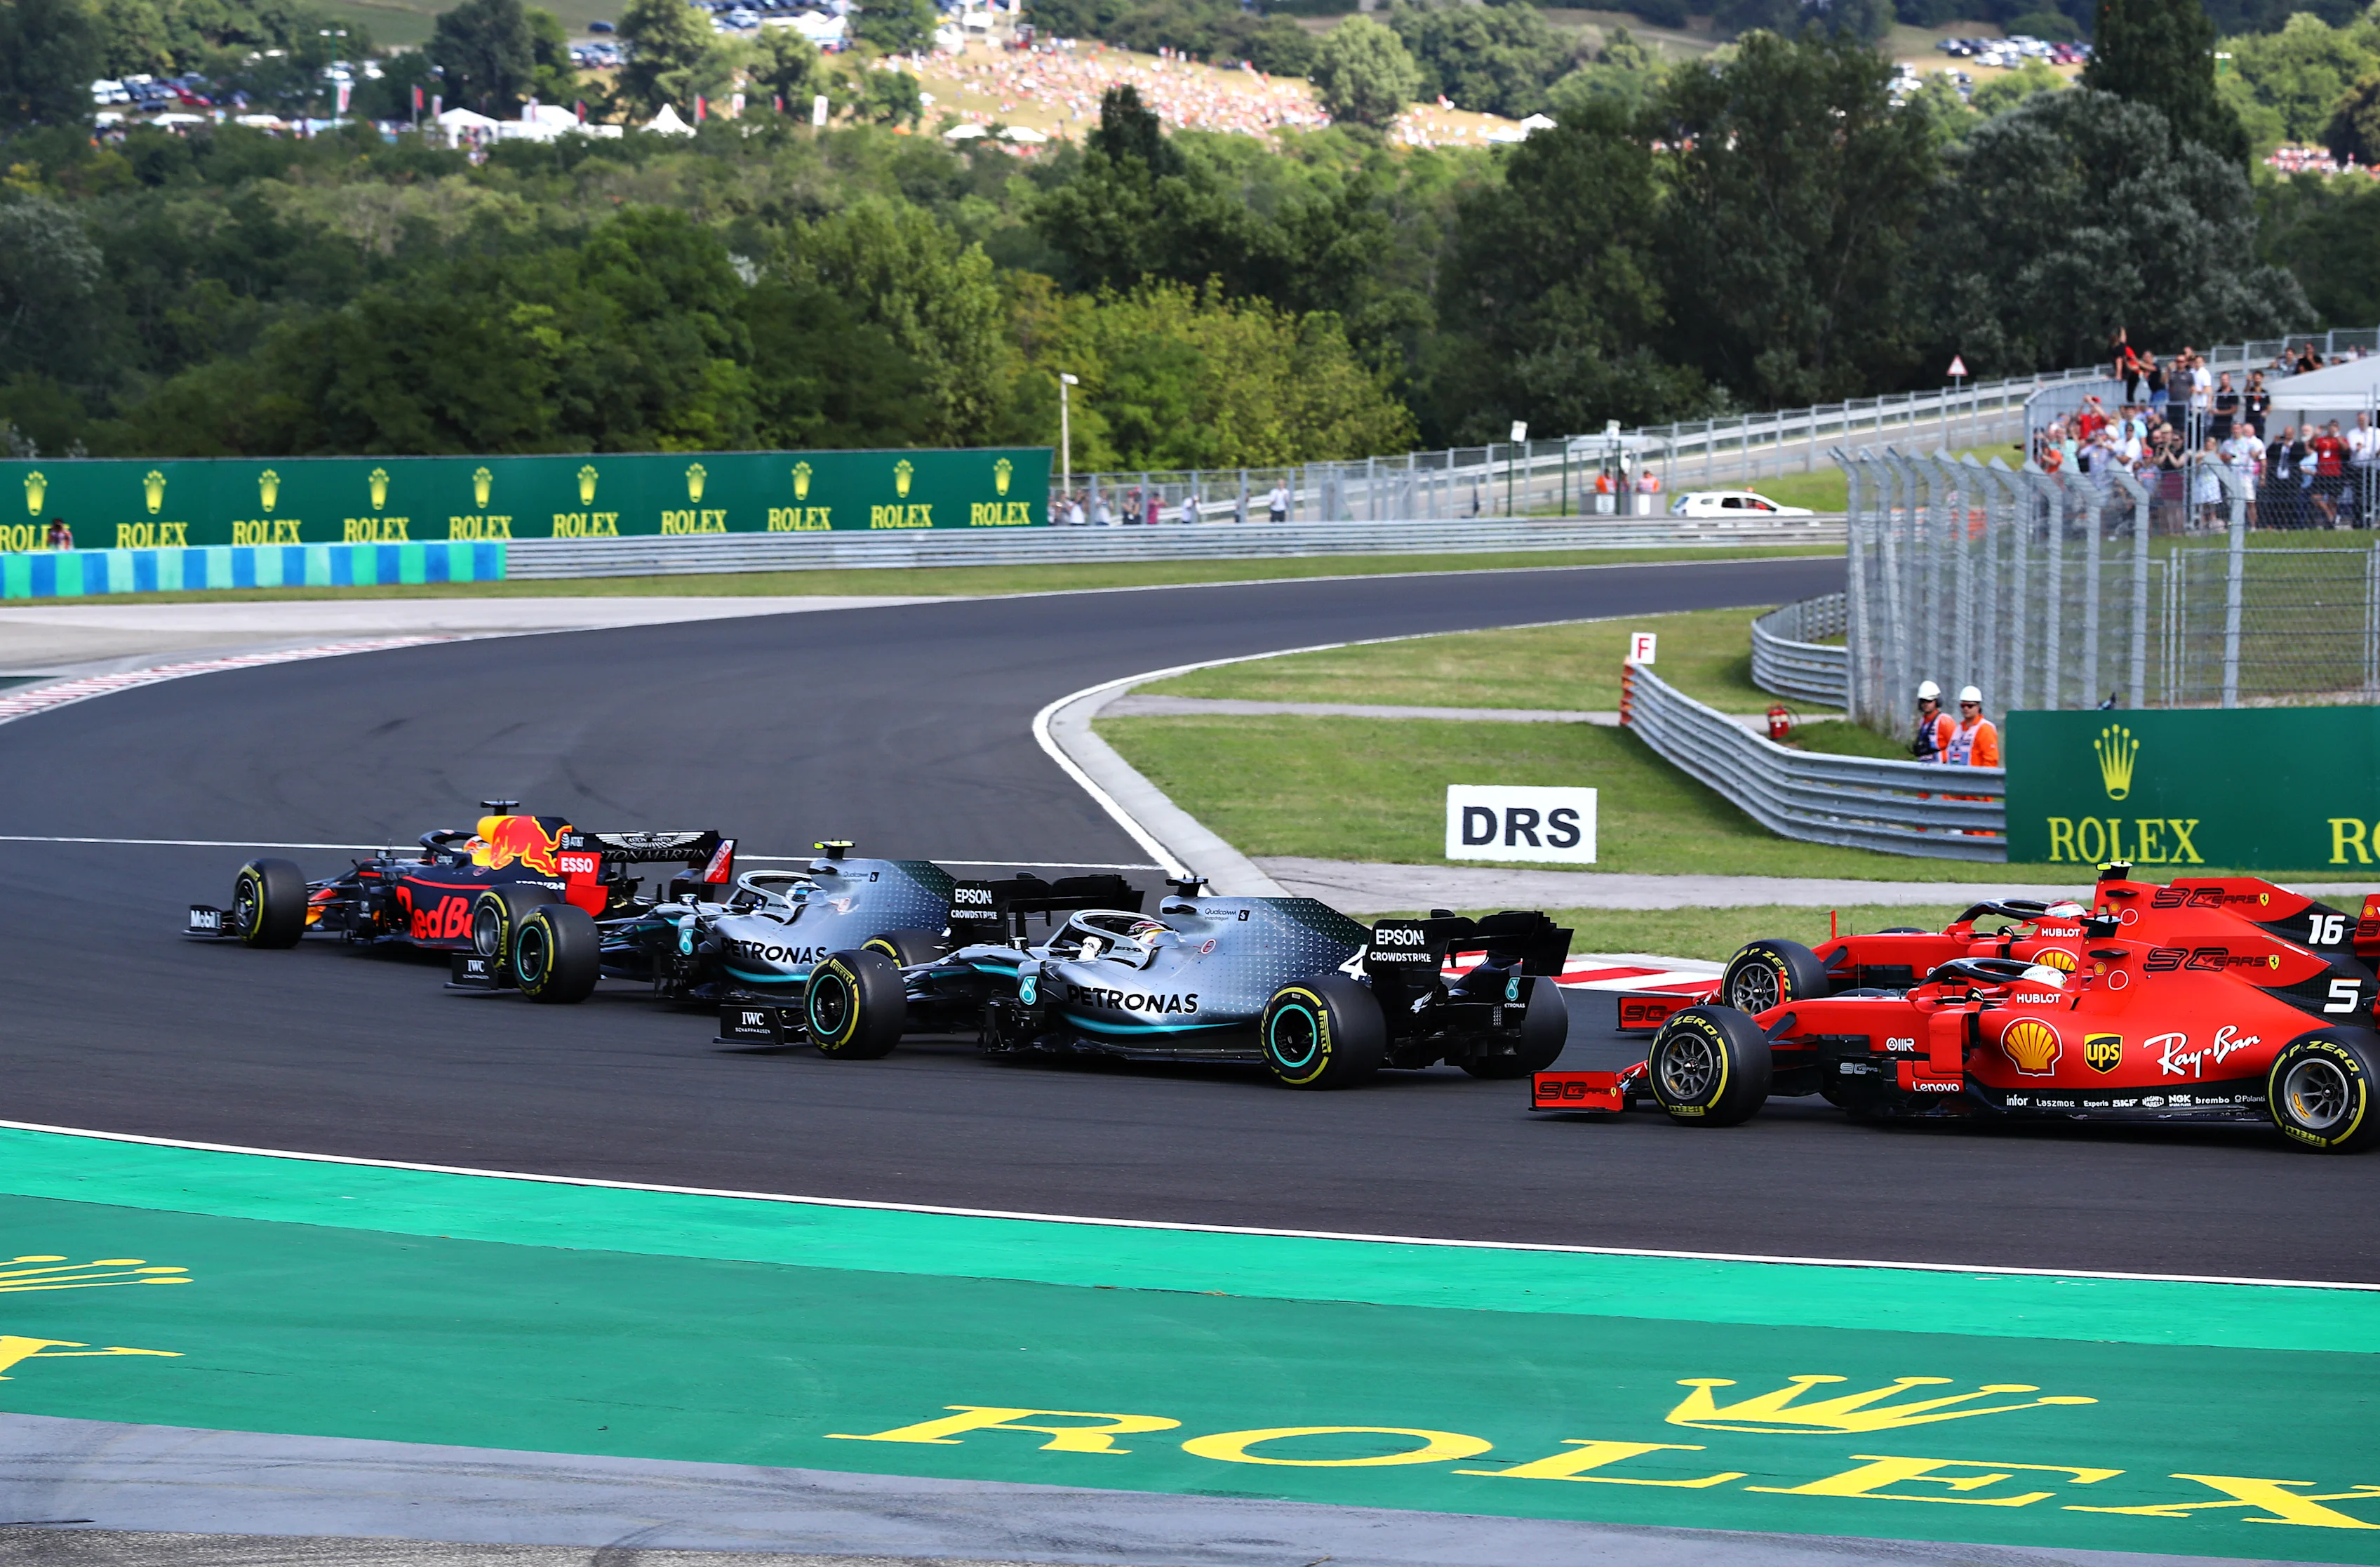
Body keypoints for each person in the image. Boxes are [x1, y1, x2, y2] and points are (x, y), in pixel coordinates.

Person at [1945, 687, 2001, 768]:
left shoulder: (1985, 728)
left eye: (1970, 706)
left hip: (1975, 775)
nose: (1966, 708)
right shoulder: (1959, 728)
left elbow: (1990, 761)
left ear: (1978, 707)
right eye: (1963, 706)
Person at [2310, 419, 2349, 528]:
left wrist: (2336, 435)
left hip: (2335, 473)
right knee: (2315, 497)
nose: (2332, 428)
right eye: (2330, 426)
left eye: (2334, 426)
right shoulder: (2322, 439)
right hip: (2322, 473)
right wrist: (2315, 434)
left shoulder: (2341, 439)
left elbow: (2345, 448)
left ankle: (2330, 523)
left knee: (2333, 499)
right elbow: (2312, 446)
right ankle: (2329, 515)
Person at [1911, 680, 1954, 764]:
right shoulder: (1923, 722)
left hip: (1941, 767)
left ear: (1937, 701)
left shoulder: (1944, 721)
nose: (1926, 704)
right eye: (1923, 701)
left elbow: (1955, 747)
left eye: (1929, 701)